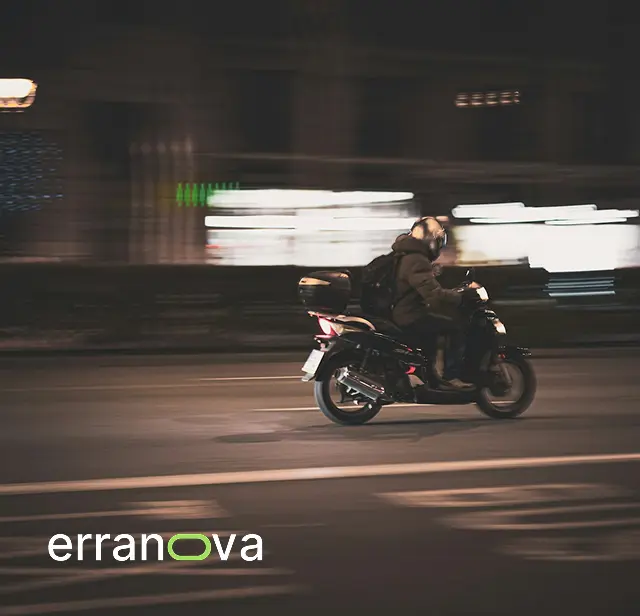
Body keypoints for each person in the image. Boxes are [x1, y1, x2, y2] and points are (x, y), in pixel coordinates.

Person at [390, 216, 477, 390]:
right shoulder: (416, 260)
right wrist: (461, 297)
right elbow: (433, 295)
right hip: (409, 315)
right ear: (430, 240)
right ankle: (451, 376)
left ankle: (429, 375)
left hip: (401, 312)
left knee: (436, 324)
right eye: (438, 241)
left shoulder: (405, 255)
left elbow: (423, 288)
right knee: (454, 327)